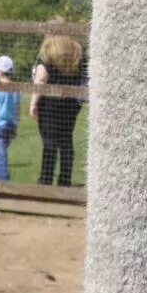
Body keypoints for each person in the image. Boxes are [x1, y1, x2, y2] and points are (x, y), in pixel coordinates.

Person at [31, 31, 86, 187]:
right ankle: (65, 180)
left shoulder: (49, 53)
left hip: (49, 105)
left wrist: (33, 102)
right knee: (66, 141)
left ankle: (45, 179)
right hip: (70, 105)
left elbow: (41, 79)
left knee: (49, 143)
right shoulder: (75, 52)